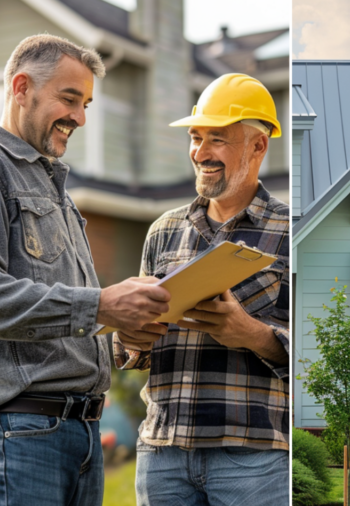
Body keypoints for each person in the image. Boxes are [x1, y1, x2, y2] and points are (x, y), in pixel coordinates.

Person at [0, 34, 171, 506]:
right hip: (18, 436)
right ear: (22, 87)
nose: (81, 118)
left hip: (80, 436)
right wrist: (102, 303)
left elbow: (62, 327)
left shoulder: (58, 193)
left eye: (87, 103)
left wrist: (124, 341)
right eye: (70, 99)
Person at [114, 73, 290, 506]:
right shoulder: (163, 231)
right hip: (163, 453)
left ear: (258, 146)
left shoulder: (293, 233)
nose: (200, 152)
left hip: (252, 456)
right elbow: (133, 352)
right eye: (196, 137)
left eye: (217, 139)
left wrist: (252, 334)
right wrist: (130, 340)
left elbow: (325, 352)